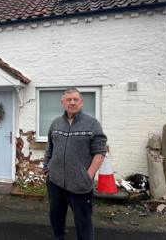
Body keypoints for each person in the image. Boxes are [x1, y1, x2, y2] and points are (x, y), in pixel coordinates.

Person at [43, 88, 107, 240]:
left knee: (83, 223)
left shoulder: (92, 124)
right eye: (68, 99)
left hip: (80, 185)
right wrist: (46, 170)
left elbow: (100, 152)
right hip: (55, 183)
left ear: (81, 102)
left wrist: (88, 176)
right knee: (56, 219)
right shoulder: (56, 124)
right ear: (62, 103)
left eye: (75, 99)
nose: (72, 102)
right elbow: (49, 148)